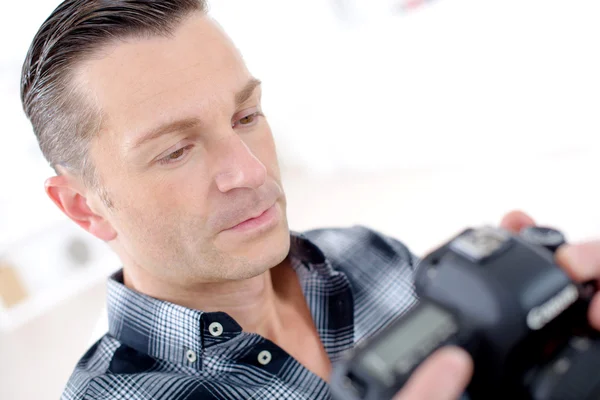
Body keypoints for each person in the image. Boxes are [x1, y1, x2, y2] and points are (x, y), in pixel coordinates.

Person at [19, 1, 600, 399]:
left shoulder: (368, 256)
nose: (249, 171)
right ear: (81, 206)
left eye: (246, 116)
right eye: (175, 151)